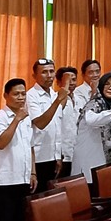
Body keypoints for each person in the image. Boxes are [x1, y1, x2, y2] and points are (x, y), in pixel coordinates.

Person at [0, 78, 38, 221]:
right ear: (6, 96)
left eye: (23, 94)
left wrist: (33, 172)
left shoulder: (26, 118)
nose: (21, 97)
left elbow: (30, 147)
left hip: (22, 179)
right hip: (3, 182)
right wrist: (16, 120)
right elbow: (1, 143)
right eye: (16, 94)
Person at [72, 72, 111, 183]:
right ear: (101, 86)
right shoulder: (94, 103)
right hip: (89, 160)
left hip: (105, 161)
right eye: (107, 84)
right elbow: (92, 120)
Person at [25, 58, 67, 192]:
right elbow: (40, 123)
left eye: (51, 71)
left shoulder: (54, 94)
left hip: (53, 157)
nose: (49, 75)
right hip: (38, 158)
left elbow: (57, 128)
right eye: (44, 72)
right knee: (38, 198)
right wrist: (58, 101)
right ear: (34, 76)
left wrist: (58, 156)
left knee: (53, 197)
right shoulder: (31, 96)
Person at [56, 66, 79, 178]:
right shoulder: (56, 100)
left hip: (78, 153)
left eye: (74, 79)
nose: (71, 83)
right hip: (62, 154)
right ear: (58, 82)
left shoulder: (79, 99)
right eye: (68, 80)